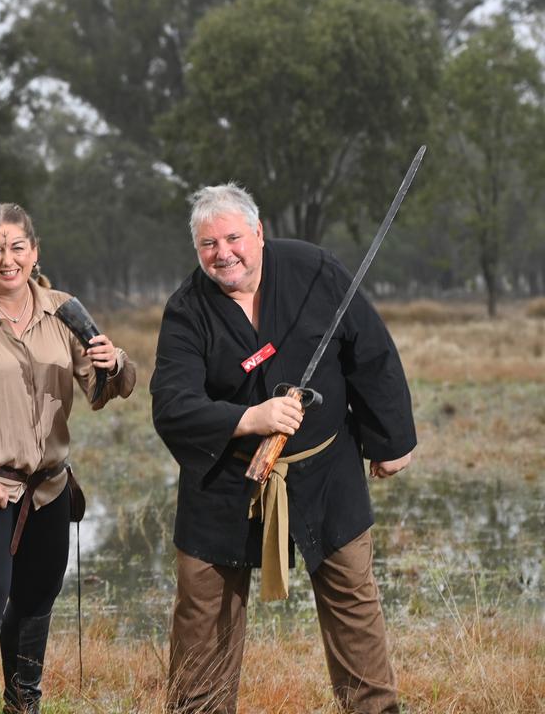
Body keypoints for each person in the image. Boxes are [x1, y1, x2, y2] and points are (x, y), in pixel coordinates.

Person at [150, 183, 416, 714]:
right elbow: (171, 405)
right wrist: (249, 417)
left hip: (326, 470)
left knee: (354, 607)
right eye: (208, 244)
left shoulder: (315, 270)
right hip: (226, 478)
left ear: (259, 234)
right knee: (203, 617)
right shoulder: (187, 309)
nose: (223, 253)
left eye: (232, 238)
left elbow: (371, 350)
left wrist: (392, 440)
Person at [0, 202, 137, 714]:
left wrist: (114, 361)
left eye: (17, 247)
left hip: (49, 487)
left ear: (34, 252)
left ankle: (24, 705)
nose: (7, 260)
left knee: (38, 597)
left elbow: (100, 390)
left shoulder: (63, 311)